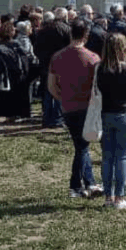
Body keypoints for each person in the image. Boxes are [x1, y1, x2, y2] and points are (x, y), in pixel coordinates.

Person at [48, 18, 102, 199]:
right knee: (82, 147)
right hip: (87, 106)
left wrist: (62, 98)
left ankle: (88, 183)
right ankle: (78, 186)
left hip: (68, 107)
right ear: (86, 35)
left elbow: (51, 85)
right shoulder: (94, 58)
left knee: (81, 146)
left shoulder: (57, 56)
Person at [96, 33, 126, 210]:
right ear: (123, 48)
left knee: (107, 157)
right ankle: (119, 197)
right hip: (125, 113)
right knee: (122, 156)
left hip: (106, 114)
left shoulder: (100, 69)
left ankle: (108, 196)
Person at [35, 10, 72, 129]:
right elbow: (70, 47)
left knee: (47, 92)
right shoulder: (66, 29)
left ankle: (47, 118)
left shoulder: (43, 30)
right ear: (65, 16)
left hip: (45, 64)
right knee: (59, 92)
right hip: (62, 64)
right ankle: (58, 118)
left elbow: (36, 48)